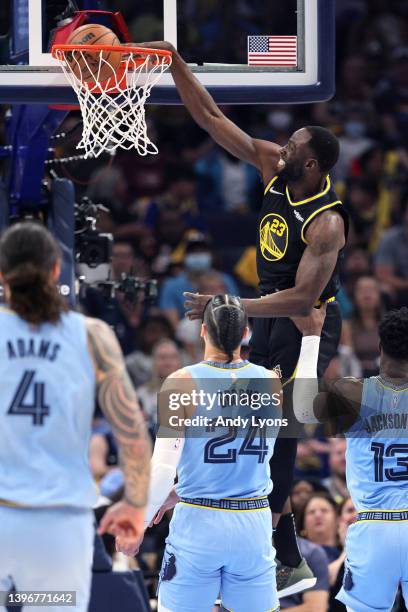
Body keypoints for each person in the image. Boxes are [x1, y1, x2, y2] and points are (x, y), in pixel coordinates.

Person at [140, 39, 349, 594]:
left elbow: (304, 298)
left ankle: (282, 551)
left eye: (292, 144)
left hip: (311, 322)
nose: (281, 146)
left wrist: (230, 306)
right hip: (272, 311)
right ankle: (277, 546)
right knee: (262, 418)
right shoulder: (272, 169)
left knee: (285, 424)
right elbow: (211, 118)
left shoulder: (326, 222)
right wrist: (173, 61)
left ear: (310, 162)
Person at [0, 222, 151, 612]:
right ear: (55, 270)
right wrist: (135, 503)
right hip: (60, 525)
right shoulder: (92, 335)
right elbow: (132, 432)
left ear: (2, 275)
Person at [117, 295, 282, 612]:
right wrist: (175, 494)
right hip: (253, 521)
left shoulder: (182, 382)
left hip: (200, 522)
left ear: (203, 330)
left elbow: (164, 467)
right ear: (246, 332)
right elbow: (240, 461)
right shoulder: (271, 382)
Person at [292, 305, 408, 611]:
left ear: (380, 347)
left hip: (374, 526)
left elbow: (301, 406)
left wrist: (311, 337)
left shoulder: (353, 394)